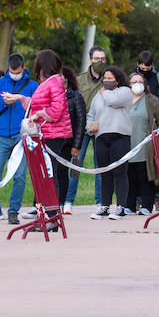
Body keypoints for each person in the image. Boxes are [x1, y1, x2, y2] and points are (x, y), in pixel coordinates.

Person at [0, 52, 38, 224]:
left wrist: (21, 100)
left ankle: (14, 211)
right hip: (2, 135)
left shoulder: (32, 86)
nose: (15, 73)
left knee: (19, 175)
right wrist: (4, 103)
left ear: (23, 68)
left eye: (17, 71)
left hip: (22, 136)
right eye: (12, 71)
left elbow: (36, 107)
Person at [24, 50, 72, 219]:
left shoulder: (55, 82)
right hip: (46, 134)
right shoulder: (50, 83)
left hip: (54, 135)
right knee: (45, 173)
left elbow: (56, 111)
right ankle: (44, 211)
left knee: (50, 174)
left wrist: (38, 115)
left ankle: (52, 215)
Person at [67, 45, 108, 214]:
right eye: (97, 59)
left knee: (100, 167)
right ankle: (68, 200)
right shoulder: (79, 79)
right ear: (90, 60)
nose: (100, 62)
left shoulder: (109, 79)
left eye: (103, 59)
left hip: (102, 128)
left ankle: (100, 202)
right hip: (82, 130)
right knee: (76, 164)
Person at [87, 65, 133, 219]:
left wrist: (105, 91)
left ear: (117, 80)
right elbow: (91, 115)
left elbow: (113, 101)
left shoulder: (125, 92)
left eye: (109, 79)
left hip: (120, 137)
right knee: (104, 173)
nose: (106, 81)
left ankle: (121, 207)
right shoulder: (98, 95)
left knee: (120, 173)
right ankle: (104, 206)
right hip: (101, 137)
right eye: (104, 78)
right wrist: (90, 127)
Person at [125, 71, 159, 215]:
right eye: (133, 82)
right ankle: (129, 205)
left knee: (145, 176)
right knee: (129, 177)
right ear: (128, 84)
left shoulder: (151, 100)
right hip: (127, 145)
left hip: (145, 146)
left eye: (140, 82)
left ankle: (146, 206)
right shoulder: (123, 100)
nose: (137, 85)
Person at [61, 66, 87, 212]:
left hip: (67, 142)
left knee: (62, 172)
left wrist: (76, 145)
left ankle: (61, 202)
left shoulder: (76, 96)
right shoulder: (50, 95)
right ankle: (40, 205)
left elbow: (80, 121)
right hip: (52, 140)